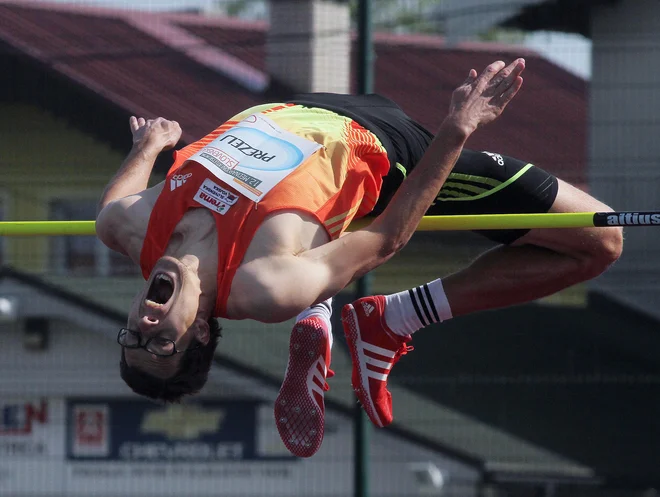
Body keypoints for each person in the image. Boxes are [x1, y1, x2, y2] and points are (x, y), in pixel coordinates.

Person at [95, 59, 623, 458]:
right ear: (203, 333)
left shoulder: (131, 230)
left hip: (301, 105)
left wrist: (148, 146)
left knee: (316, 250)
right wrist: (458, 129)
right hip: (388, 148)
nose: (145, 324)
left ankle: (331, 312)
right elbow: (391, 238)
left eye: (132, 337)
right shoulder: (263, 285)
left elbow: (113, 203)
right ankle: (395, 316)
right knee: (601, 241)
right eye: (162, 342)